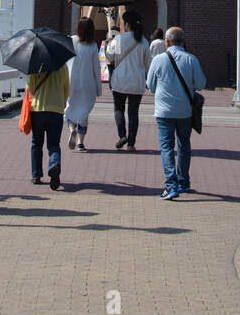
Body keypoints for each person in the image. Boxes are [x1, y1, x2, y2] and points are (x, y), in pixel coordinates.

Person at [146, 25, 206, 199]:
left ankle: (171, 185)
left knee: (166, 147)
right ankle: (183, 181)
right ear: (183, 41)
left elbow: (150, 86)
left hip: (164, 111)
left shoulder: (158, 60)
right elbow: (201, 84)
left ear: (166, 42)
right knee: (184, 145)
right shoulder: (191, 59)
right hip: (184, 111)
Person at [105, 10, 151, 152]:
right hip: (137, 82)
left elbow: (110, 58)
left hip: (120, 80)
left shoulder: (118, 39)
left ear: (127, 24)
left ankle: (122, 135)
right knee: (133, 113)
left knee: (119, 109)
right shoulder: (143, 41)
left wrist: (108, 44)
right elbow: (148, 63)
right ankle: (131, 143)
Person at [27, 60, 70, 189]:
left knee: (36, 143)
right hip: (56, 109)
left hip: (38, 109)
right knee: (54, 144)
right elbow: (66, 87)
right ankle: (54, 164)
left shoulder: (35, 64)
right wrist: (62, 103)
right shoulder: (62, 65)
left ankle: (36, 175)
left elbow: (30, 86)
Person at [65, 16, 103, 152]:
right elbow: (96, 69)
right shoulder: (93, 45)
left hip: (71, 82)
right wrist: (99, 89)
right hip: (87, 83)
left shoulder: (70, 41)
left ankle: (71, 128)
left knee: (69, 109)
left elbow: (64, 62)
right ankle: (80, 143)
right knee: (84, 112)